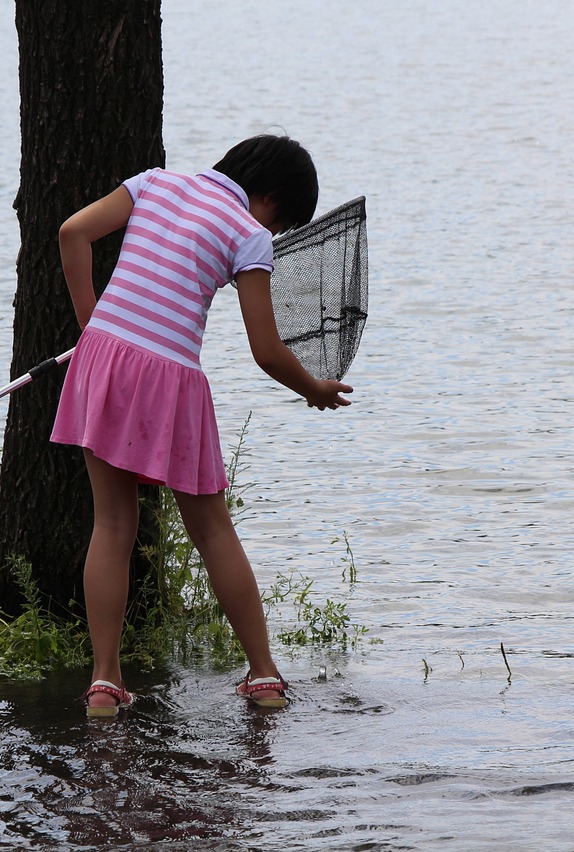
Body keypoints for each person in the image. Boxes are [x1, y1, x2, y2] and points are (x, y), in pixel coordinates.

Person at [50, 134, 353, 717]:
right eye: (281, 218)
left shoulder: (155, 183)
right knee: (213, 530)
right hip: (172, 379)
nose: (275, 228)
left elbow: (72, 232)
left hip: (104, 360)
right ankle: (263, 676)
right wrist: (313, 389)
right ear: (267, 196)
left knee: (112, 523)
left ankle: (104, 684)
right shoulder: (248, 234)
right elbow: (265, 351)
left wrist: (93, 326)